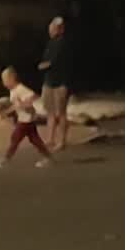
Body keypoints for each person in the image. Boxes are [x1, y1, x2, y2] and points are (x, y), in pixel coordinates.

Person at [0, 67, 52, 168]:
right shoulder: (13, 90)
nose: (4, 83)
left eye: (5, 80)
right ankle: (48, 157)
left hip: (26, 120)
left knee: (15, 138)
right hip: (26, 119)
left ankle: (6, 158)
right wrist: (6, 112)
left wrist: (25, 104)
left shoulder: (20, 88)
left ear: (12, 78)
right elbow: (16, 106)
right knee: (35, 140)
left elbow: (34, 96)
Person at [38, 16, 72, 151]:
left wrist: (44, 65)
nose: (51, 30)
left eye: (54, 28)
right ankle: (50, 139)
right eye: (51, 28)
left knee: (61, 113)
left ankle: (62, 141)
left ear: (60, 29)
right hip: (49, 82)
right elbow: (46, 61)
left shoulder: (63, 43)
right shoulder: (51, 43)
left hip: (60, 83)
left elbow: (53, 62)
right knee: (50, 112)